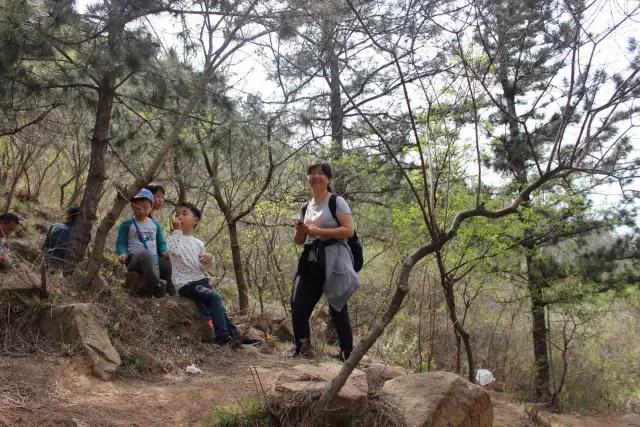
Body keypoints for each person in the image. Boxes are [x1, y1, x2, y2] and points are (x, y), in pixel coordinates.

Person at [291, 161, 360, 360]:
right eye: (311, 173)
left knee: (338, 305)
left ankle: (347, 353)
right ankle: (302, 349)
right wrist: (301, 231)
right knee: (298, 305)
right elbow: (299, 241)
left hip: (334, 259)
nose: (315, 176)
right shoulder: (305, 207)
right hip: (311, 259)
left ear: (328, 179)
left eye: (320, 173)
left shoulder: (336, 201)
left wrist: (318, 230)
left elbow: (349, 231)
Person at [167, 202, 254, 346]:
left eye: (184, 213)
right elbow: (174, 250)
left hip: (200, 280)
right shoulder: (172, 238)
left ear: (195, 220)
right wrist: (176, 231)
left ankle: (235, 335)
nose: (179, 217)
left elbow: (200, 267)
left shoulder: (198, 243)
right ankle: (222, 338)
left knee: (218, 306)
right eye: (177, 214)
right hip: (185, 284)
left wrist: (209, 259)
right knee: (214, 297)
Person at [116, 189, 171, 297]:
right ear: (132, 207)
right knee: (146, 254)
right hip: (134, 259)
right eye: (138, 208)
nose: (141, 211)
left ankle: (166, 289)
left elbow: (161, 243)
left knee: (165, 264)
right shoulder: (127, 224)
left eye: (145, 208)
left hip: (153, 259)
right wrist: (122, 253)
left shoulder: (155, 224)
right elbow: (121, 243)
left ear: (151, 207)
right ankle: (157, 286)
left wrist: (165, 251)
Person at [144, 182, 174, 295]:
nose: (161, 200)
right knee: (165, 264)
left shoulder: (153, 219)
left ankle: (170, 290)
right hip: (144, 256)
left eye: (163, 197)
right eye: (157, 196)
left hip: (154, 254)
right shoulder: (142, 217)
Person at [43, 204, 80, 272]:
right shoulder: (78, 233)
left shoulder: (55, 226)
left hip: (49, 262)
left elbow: (44, 247)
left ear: (67, 214)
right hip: (65, 267)